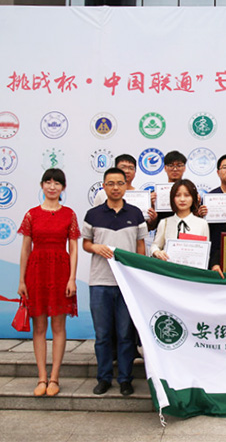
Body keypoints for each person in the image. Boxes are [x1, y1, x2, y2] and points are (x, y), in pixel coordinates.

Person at [82, 167, 148, 396]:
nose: (115, 187)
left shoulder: (136, 213)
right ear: (104, 186)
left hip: (127, 284)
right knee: (102, 335)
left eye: (120, 183)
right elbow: (85, 243)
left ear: (126, 186)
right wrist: (95, 247)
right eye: (110, 183)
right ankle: (104, 378)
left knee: (125, 335)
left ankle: (125, 379)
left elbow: (140, 247)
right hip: (100, 282)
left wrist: (138, 275)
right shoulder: (93, 214)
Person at [18, 168, 80, 397]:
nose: (52, 187)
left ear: (63, 188)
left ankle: (55, 378)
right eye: (48, 182)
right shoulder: (31, 215)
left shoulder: (69, 214)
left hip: (61, 273)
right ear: (42, 185)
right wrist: (22, 280)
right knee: (39, 327)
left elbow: (74, 249)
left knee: (58, 327)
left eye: (57, 183)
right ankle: (41, 377)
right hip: (36, 273)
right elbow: (25, 249)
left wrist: (72, 278)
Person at [198, 154, 226, 268]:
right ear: (218, 172)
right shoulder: (209, 197)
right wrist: (201, 216)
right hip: (215, 248)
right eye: (225, 167)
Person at [93, 154, 158, 229]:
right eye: (123, 167)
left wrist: (152, 220)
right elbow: (95, 219)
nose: (127, 171)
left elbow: (147, 227)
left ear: (135, 172)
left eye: (131, 168)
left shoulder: (142, 196)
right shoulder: (102, 194)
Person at [151, 179, 209, 260]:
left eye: (187, 195)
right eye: (178, 195)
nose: (182, 199)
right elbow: (155, 245)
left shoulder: (202, 223)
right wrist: (156, 252)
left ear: (193, 198)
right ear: (172, 198)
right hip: (169, 267)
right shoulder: (165, 222)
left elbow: (205, 252)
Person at [151, 150, 188, 222]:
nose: (175, 169)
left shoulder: (191, 191)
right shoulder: (156, 193)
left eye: (179, 165)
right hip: (163, 227)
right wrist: (152, 205)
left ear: (184, 168)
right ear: (165, 168)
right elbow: (151, 224)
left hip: (186, 228)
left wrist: (196, 203)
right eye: (171, 165)